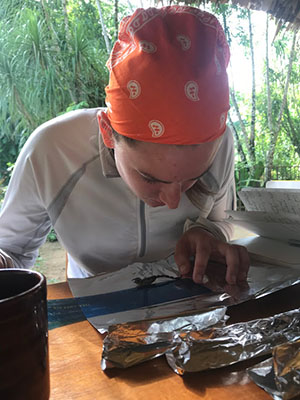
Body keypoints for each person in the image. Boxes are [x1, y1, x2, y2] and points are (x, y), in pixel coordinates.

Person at [0, 5, 250, 284]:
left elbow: (223, 220)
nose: (172, 201)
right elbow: (12, 251)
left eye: (194, 178)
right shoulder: (51, 151)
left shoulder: (222, 143)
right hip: (92, 305)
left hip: (188, 300)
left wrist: (209, 234)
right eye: (150, 178)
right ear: (107, 132)